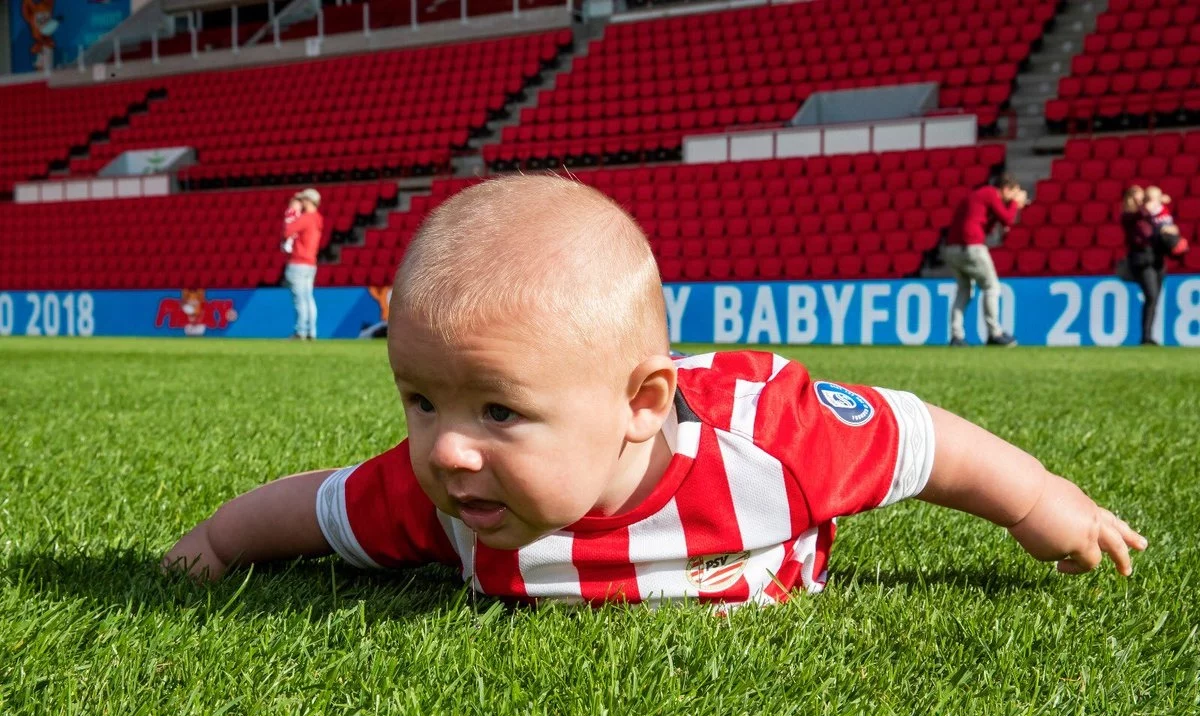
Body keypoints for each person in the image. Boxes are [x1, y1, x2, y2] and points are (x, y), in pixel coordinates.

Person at [163, 175, 1145, 607]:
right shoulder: (450, 497)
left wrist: (1037, 501)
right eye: (422, 401)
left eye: (498, 409)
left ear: (642, 405)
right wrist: (219, 537)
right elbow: (319, 507)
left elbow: (923, 439)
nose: (448, 447)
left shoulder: (774, 438)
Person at [941, 175, 1027, 347]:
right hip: (970, 247)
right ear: (1005, 189)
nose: (1016, 196)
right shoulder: (990, 193)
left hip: (952, 249)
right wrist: (1015, 204)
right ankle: (994, 333)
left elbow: (989, 225)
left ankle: (956, 336)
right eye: (1015, 192)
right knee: (991, 287)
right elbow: (1008, 218)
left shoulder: (980, 196)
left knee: (964, 291)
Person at [1120, 185, 1162, 345]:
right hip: (1141, 259)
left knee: (1154, 298)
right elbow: (1141, 213)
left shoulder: (1147, 216)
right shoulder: (1129, 215)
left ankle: (1148, 335)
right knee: (1151, 296)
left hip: (1156, 258)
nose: (1142, 198)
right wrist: (1156, 200)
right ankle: (1146, 336)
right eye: (1140, 196)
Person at [282, 188, 324, 341]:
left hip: (298, 262)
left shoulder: (306, 218)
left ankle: (300, 331)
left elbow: (287, 231)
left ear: (308, 201)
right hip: (311, 263)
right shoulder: (318, 218)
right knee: (308, 298)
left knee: (300, 299)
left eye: (303, 200)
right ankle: (311, 331)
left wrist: (292, 210)